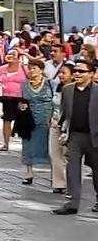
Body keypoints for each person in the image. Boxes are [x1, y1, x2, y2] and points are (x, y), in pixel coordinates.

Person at [52, 59, 98, 215]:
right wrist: (61, 129)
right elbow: (64, 113)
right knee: (72, 169)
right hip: (75, 137)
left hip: (94, 137)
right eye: (76, 71)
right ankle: (72, 203)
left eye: (81, 71)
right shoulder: (68, 90)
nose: (77, 73)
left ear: (91, 74)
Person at [19, 60, 54, 185]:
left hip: (46, 118)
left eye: (34, 68)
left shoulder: (50, 83)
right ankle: (29, 173)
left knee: (50, 147)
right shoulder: (24, 85)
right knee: (27, 145)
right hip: (29, 118)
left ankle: (54, 175)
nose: (31, 71)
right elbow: (21, 100)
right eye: (30, 68)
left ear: (41, 69)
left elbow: (55, 100)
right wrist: (21, 107)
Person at [0, 50, 27, 151]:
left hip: (21, 98)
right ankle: (6, 143)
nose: (10, 57)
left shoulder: (24, 68)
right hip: (6, 98)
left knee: (23, 121)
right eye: (9, 55)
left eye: (13, 55)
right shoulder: (0, 69)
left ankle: (25, 143)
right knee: (7, 120)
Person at [49, 62, 73, 194]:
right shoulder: (57, 88)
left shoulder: (74, 90)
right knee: (54, 153)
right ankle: (58, 182)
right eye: (60, 73)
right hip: (55, 123)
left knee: (68, 154)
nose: (61, 76)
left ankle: (71, 182)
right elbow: (52, 104)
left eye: (64, 73)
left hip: (69, 125)